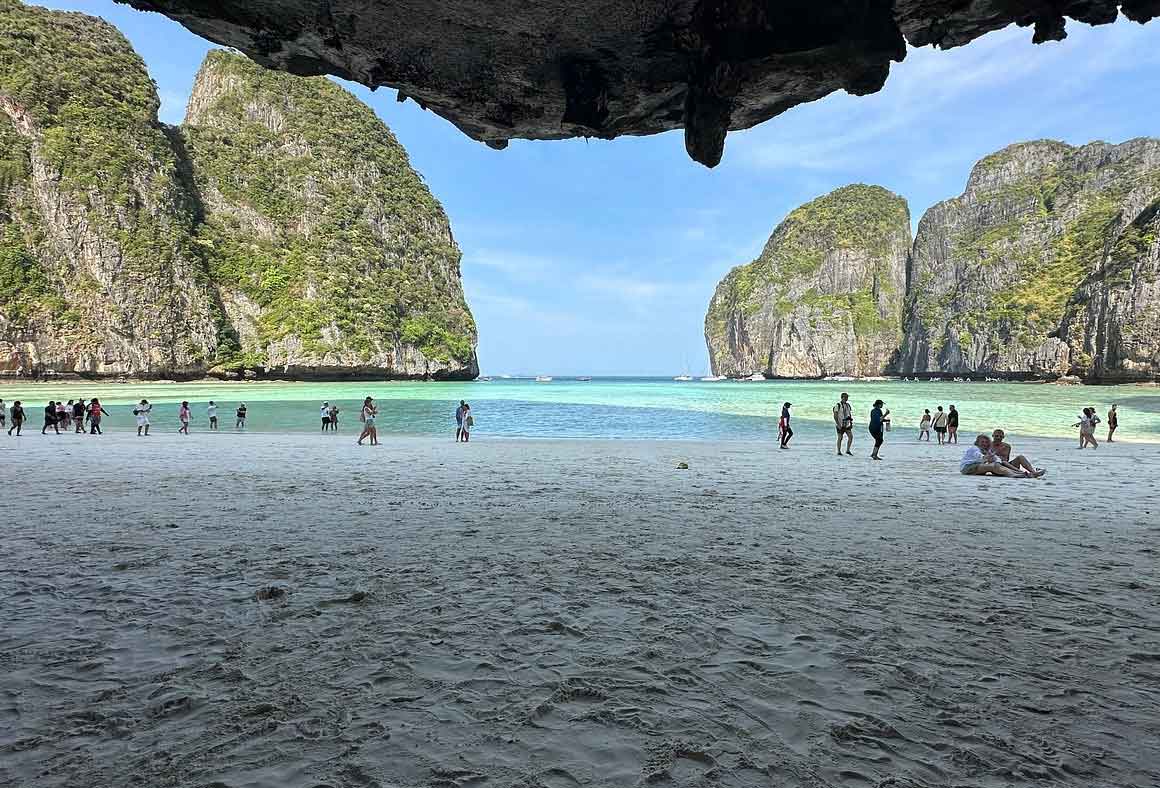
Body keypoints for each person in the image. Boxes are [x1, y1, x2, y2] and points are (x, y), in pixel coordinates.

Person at [960, 434, 1040, 478]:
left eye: (986, 442)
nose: (984, 444)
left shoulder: (991, 449)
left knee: (997, 464)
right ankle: (1014, 474)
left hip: (984, 467)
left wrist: (994, 458)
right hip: (968, 467)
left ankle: (1027, 473)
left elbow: (998, 460)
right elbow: (979, 456)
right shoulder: (974, 448)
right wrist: (987, 457)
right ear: (977, 442)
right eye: (982, 442)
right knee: (994, 465)